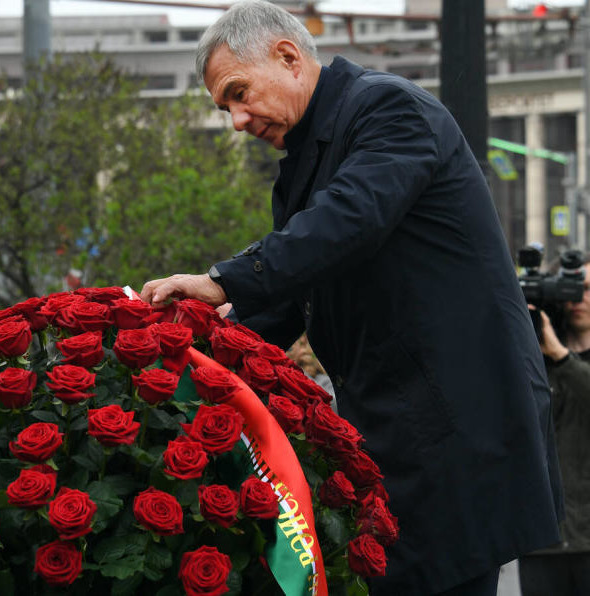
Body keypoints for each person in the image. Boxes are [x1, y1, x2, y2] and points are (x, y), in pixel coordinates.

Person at [140, 2, 562, 594]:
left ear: (288, 57)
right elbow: (294, 291)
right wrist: (188, 353)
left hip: (456, 433)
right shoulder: (307, 155)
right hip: (404, 432)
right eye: (224, 107)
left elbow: (348, 219)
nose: (236, 121)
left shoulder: (390, 107)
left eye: (238, 93)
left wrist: (222, 280)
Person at [520, 279, 590, 595]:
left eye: (587, 289)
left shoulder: (560, 359)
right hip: (541, 539)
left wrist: (561, 356)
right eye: (572, 287)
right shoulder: (533, 359)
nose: (578, 298)